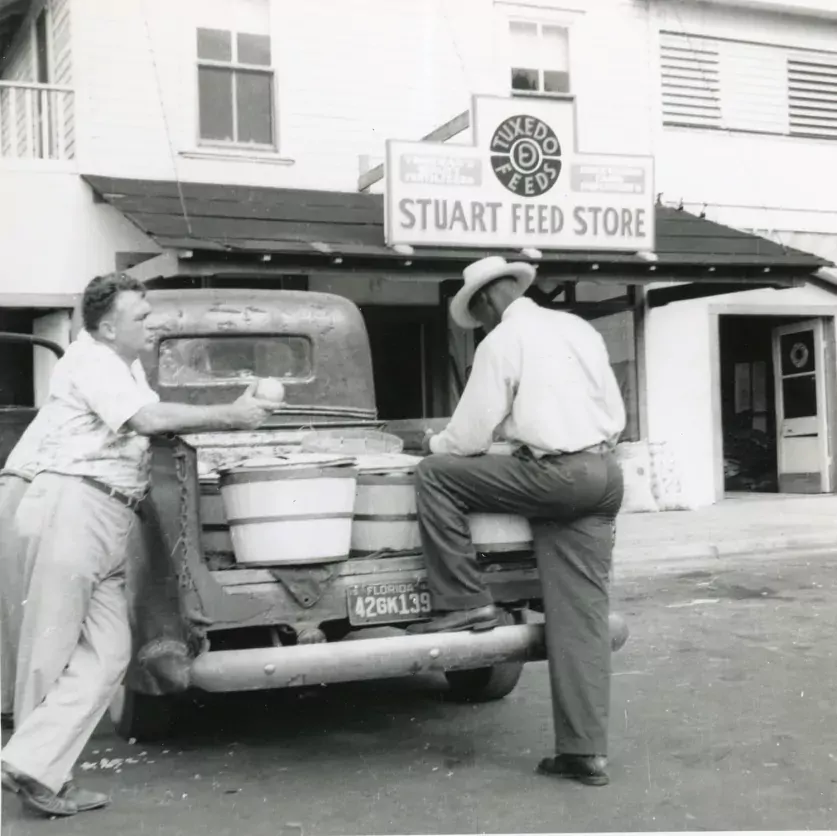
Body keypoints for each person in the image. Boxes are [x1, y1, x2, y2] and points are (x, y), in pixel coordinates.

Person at [0, 273, 277, 818]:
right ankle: (38, 775)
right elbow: (146, 419)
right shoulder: (90, 361)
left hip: (106, 513)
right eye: (141, 318)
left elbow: (153, 421)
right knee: (50, 649)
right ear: (107, 326)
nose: (153, 324)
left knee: (109, 652)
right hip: (72, 506)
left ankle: (31, 762)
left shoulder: (123, 366)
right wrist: (232, 415)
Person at [407, 255, 626, 787]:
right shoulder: (577, 327)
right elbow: (608, 409)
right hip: (603, 474)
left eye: (477, 314)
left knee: (437, 475)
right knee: (582, 619)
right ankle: (583, 753)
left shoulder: (501, 341)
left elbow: (467, 438)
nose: (479, 323)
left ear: (485, 301)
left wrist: (428, 444)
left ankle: (464, 603)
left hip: (557, 476)